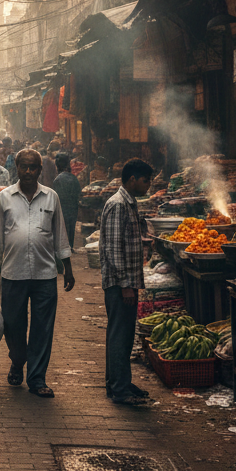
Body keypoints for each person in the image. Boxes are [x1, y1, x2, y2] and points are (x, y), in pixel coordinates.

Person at [0, 148, 74, 398]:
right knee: (13, 325)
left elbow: (60, 235)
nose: (28, 171)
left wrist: (68, 269)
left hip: (45, 274)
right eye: (24, 166)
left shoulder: (51, 197)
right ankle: (17, 359)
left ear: (40, 169)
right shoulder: (4, 197)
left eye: (33, 167)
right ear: (17, 168)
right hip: (13, 273)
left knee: (43, 329)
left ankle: (37, 378)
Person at [100, 158, 153, 406]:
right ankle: (120, 389)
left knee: (121, 335)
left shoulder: (129, 203)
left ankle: (118, 383)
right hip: (120, 283)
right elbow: (112, 249)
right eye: (145, 181)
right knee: (120, 336)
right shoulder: (119, 204)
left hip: (126, 281)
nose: (148, 186)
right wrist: (125, 285)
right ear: (132, 179)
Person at [52, 152, 81, 249]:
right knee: (71, 226)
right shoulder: (73, 178)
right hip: (73, 207)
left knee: (61, 226)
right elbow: (78, 193)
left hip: (62, 208)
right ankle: (70, 246)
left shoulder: (58, 180)